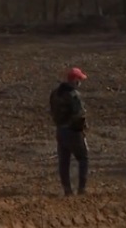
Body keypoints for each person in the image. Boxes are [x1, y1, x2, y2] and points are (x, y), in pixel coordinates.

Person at [49, 67, 89, 196]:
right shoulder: (74, 95)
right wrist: (82, 129)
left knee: (64, 161)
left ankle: (67, 190)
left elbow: (52, 111)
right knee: (83, 158)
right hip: (73, 131)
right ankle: (81, 189)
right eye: (79, 79)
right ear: (75, 80)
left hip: (60, 130)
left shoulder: (55, 93)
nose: (80, 82)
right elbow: (80, 115)